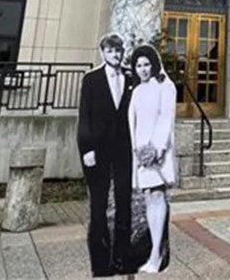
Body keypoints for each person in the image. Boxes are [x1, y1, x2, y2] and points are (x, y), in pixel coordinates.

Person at [77, 33, 133, 277]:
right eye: (110, 51)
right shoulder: (91, 80)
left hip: (124, 149)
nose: (115, 55)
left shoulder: (131, 78)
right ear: (102, 52)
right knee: (98, 205)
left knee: (124, 202)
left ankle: (122, 257)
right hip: (98, 150)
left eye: (119, 51)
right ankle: (101, 263)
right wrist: (87, 148)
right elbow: (85, 116)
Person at [127, 44, 177, 274]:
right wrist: (136, 151)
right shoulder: (137, 91)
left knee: (156, 196)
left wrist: (156, 149)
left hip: (157, 153)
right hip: (140, 153)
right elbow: (133, 123)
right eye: (138, 65)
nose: (143, 69)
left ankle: (156, 254)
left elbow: (166, 118)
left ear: (154, 64)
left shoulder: (164, 87)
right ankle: (153, 252)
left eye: (147, 64)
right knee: (149, 198)